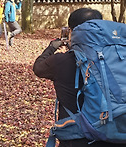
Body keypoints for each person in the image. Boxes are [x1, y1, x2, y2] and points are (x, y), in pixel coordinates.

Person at [33, 8, 126, 147]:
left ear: (73, 31)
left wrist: (51, 47)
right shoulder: (120, 58)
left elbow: (38, 68)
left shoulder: (60, 61)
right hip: (117, 132)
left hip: (76, 137)